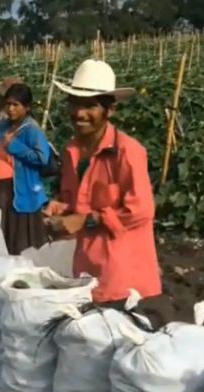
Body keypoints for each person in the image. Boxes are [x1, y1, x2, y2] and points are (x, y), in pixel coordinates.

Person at [47, 59, 161, 305]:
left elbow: (141, 210)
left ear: (110, 110)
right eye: (75, 103)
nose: (79, 113)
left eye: (91, 106)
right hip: (86, 263)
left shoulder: (128, 151)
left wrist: (87, 219)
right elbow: (72, 197)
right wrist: (59, 207)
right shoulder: (71, 150)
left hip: (120, 273)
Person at [0, 83, 51, 255]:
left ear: (26, 107)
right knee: (0, 231)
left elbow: (42, 157)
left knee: (17, 234)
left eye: (16, 105)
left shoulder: (31, 130)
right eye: (8, 104)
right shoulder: (3, 126)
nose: (11, 109)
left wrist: (15, 146)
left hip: (18, 190)